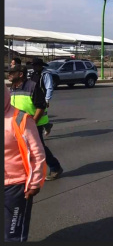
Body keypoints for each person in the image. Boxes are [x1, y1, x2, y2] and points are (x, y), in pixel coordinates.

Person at [4, 87, 46, 242]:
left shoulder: (20, 119)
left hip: (15, 186)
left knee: (12, 236)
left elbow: (38, 153)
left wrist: (35, 183)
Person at [7, 65, 61, 181]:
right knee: (20, 148)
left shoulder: (32, 86)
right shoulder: (13, 87)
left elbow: (41, 107)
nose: (9, 75)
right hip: (18, 125)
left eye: (12, 72)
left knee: (38, 147)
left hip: (33, 124)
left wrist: (33, 124)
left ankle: (55, 167)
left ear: (21, 74)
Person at [29, 59, 54, 138]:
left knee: (40, 115)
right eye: (33, 65)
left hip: (42, 98)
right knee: (39, 115)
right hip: (33, 96)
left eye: (35, 65)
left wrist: (47, 99)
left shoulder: (46, 74)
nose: (33, 67)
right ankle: (47, 125)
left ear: (39, 66)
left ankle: (44, 128)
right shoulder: (34, 74)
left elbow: (49, 87)